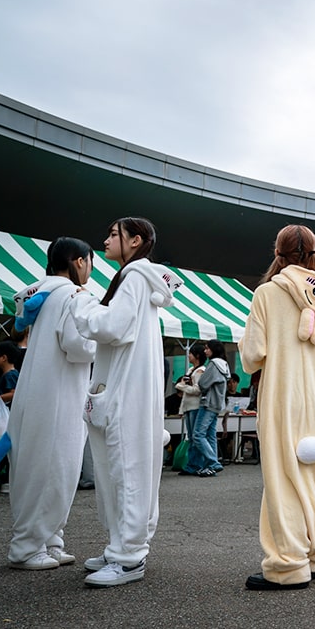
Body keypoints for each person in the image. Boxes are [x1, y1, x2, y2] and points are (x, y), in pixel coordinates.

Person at [70, 217, 182, 587]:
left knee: (125, 469)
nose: (105, 240)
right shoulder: (137, 277)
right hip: (127, 387)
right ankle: (123, 544)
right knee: (121, 469)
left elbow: (113, 327)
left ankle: (129, 556)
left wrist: (82, 305)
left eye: (113, 235)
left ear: (136, 241)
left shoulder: (134, 277)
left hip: (125, 389)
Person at [238, 224, 315, 590]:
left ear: (278, 252)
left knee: (284, 476)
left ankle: (288, 564)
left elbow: (253, 356)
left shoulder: (268, 293)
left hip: (286, 393)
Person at [3, 237, 97, 569]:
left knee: (38, 466)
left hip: (38, 391)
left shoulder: (39, 291)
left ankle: (49, 540)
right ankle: (28, 547)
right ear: (79, 261)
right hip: (60, 395)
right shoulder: (74, 295)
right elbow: (77, 346)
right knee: (53, 469)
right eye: (89, 262)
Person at [182, 339, 228, 477]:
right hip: (217, 404)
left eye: (207, 348)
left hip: (208, 403)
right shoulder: (224, 364)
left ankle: (213, 462)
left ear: (214, 350)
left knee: (198, 434)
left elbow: (203, 384)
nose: (205, 351)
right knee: (210, 435)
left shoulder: (213, 364)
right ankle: (210, 467)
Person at [0, 340, 20, 499]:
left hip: (6, 420)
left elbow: (14, 393)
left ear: (4, 357)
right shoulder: (9, 375)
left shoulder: (11, 375)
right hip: (5, 419)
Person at [174, 345, 207, 449]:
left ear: (197, 356)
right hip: (188, 407)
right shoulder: (191, 370)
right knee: (190, 436)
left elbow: (197, 390)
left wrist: (180, 386)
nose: (188, 356)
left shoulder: (200, 371)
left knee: (194, 436)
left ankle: (196, 462)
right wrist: (181, 409)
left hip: (195, 407)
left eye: (191, 354)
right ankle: (192, 462)